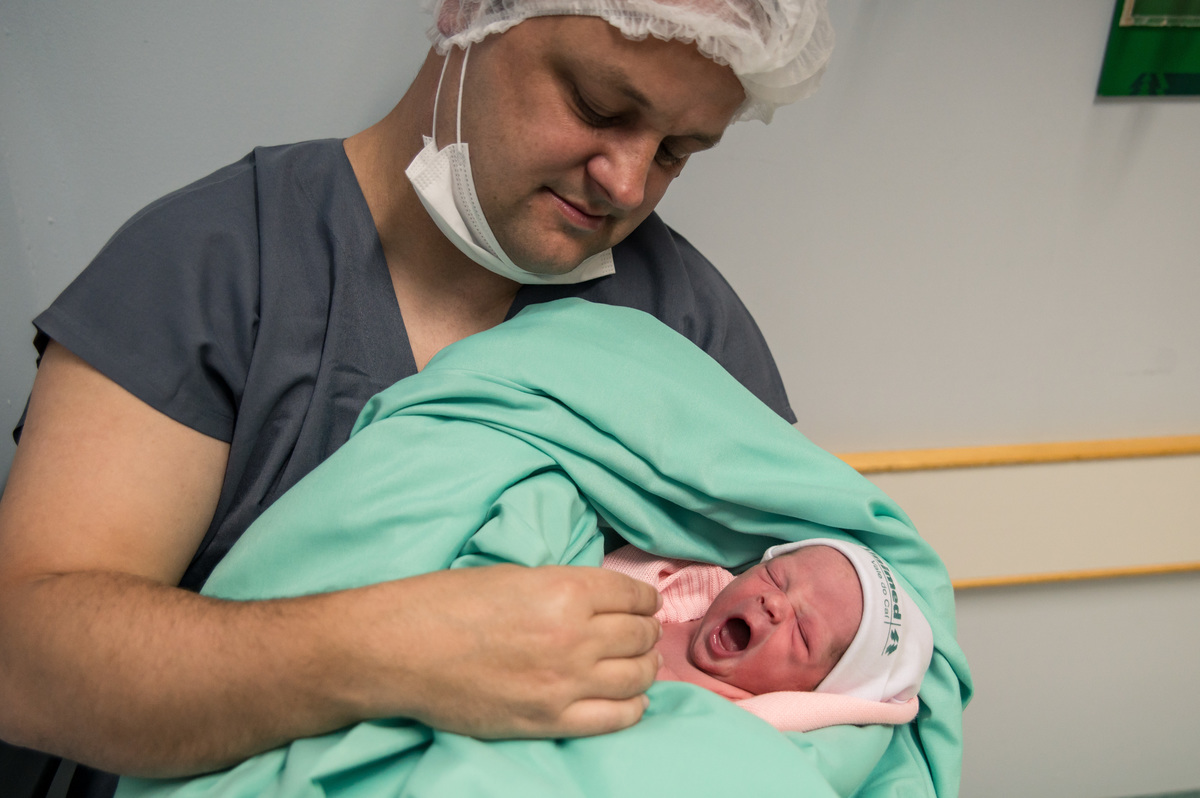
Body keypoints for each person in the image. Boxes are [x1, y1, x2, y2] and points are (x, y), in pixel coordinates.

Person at [0, 1, 834, 795]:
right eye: (597, 106)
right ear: (468, 11)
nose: (626, 183)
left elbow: (823, 660)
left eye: (677, 151)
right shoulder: (215, 268)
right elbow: (25, 662)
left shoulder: (686, 326)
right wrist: (399, 649)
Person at [605, 537, 934, 731]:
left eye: (803, 633)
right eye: (775, 577)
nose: (775, 602)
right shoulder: (675, 582)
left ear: (813, 693)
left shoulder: (732, 717)